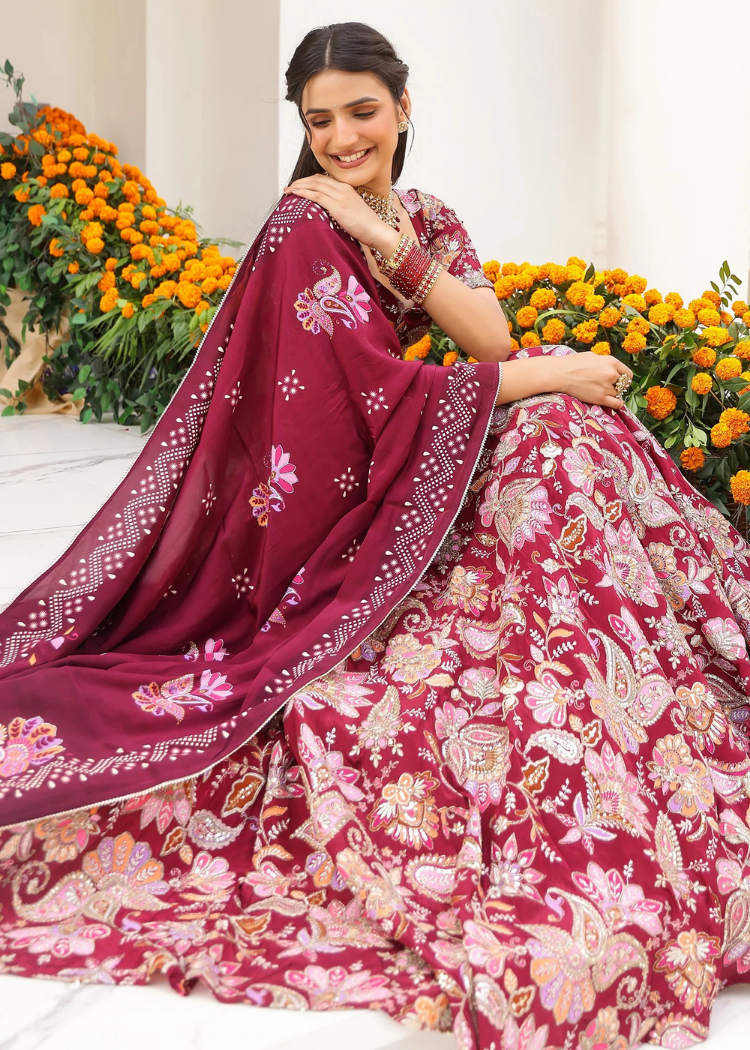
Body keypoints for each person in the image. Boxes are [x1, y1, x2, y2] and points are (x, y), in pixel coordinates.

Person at [0, 21, 748, 1050]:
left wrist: (393, 240)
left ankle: (674, 676)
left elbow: (485, 337)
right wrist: (550, 370)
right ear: (299, 128)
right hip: (344, 513)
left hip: (419, 474)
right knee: (564, 418)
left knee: (578, 440)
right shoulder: (300, 226)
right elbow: (360, 408)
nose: (344, 138)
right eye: (320, 121)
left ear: (402, 106)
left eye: (363, 112)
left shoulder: (421, 214)